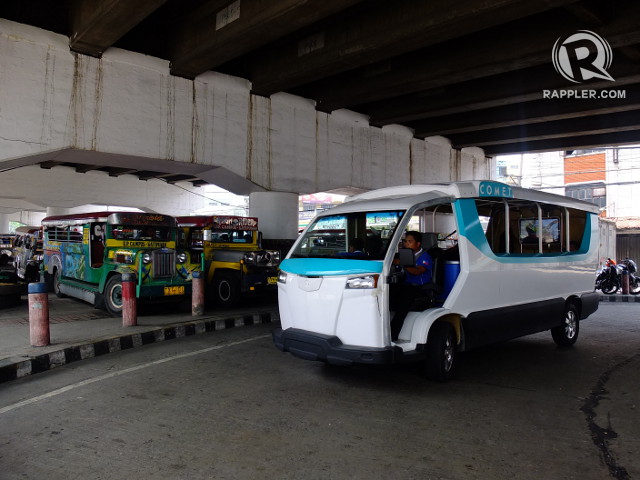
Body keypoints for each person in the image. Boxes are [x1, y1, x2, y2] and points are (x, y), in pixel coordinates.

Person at [390, 231, 433, 340]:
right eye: (405, 241)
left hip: (420, 288)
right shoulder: (406, 255)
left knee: (403, 304)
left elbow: (417, 271)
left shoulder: (425, 256)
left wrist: (401, 263)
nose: (406, 244)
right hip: (406, 285)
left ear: (418, 244)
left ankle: (392, 335)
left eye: (410, 241)